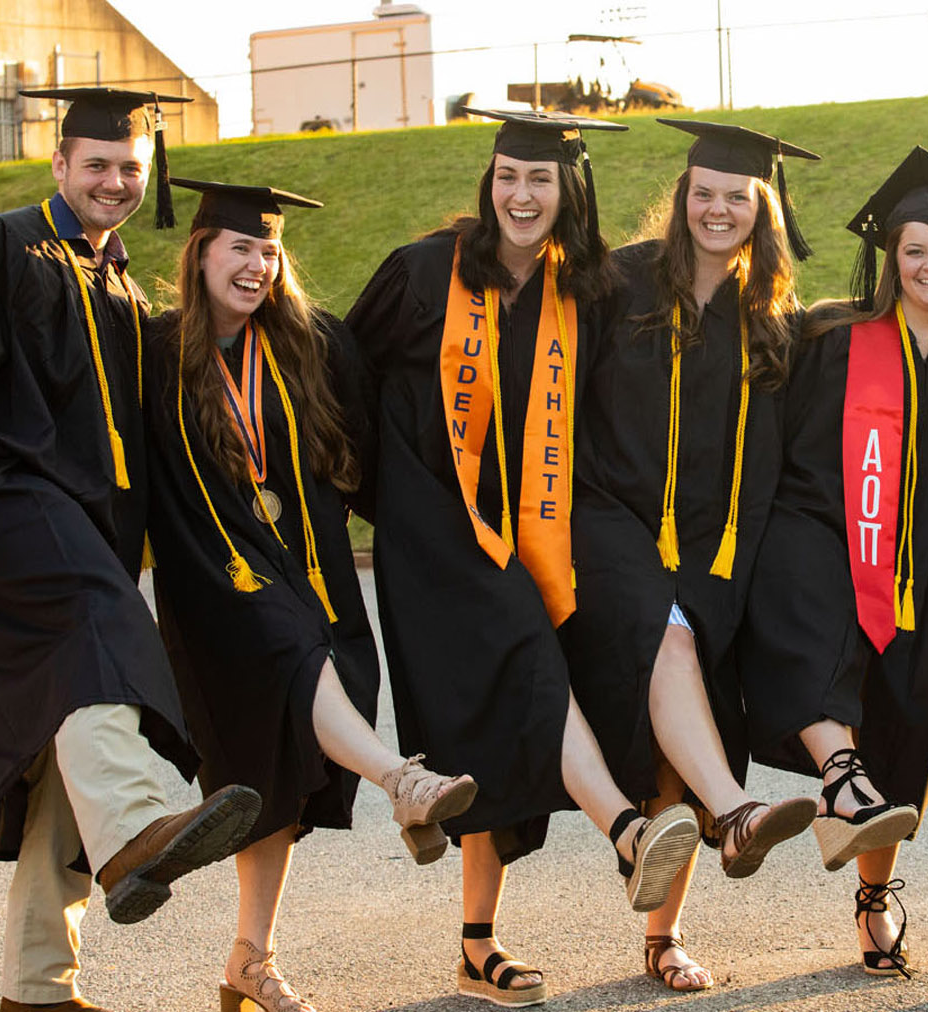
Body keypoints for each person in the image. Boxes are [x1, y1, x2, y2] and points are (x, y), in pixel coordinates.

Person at [0, 87, 262, 1012]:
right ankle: (142, 825)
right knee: (97, 629)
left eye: (129, 170)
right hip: (1, 506)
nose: (112, 182)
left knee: (62, 755)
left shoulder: (118, 284)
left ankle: (38, 989)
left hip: (84, 527)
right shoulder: (1, 244)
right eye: (97, 165)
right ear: (59, 165)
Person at [344, 108, 699, 1008]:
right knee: (529, 670)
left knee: (499, 717)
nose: (521, 195)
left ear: (567, 191)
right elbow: (345, 368)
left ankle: (476, 949)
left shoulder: (582, 291)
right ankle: (623, 831)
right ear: (488, 182)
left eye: (539, 180)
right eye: (507, 176)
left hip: (530, 525)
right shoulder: (425, 271)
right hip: (434, 530)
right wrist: (366, 486)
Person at [144, 178, 479, 1012]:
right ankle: (402, 781)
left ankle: (247, 960)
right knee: (291, 662)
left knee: (278, 772)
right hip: (217, 576)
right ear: (200, 254)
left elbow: (374, 441)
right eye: (240, 248)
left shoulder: (312, 342)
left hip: (312, 565)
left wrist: (447, 527)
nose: (257, 266)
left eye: (269, 250)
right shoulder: (151, 349)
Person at [734, 145, 928, 978]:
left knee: (908, 715)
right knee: (816, 644)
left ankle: (873, 891)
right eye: (914, 249)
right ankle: (840, 777)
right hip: (814, 530)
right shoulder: (831, 334)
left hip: (923, 562)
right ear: (890, 259)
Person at [558, 118, 823, 992]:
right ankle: (737, 813)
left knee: (688, 715)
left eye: (735, 197)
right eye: (702, 194)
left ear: (762, 207)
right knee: (666, 641)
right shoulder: (618, 282)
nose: (716, 209)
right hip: (605, 521)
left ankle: (662, 938)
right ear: (682, 199)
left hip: (714, 549)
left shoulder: (772, 321)